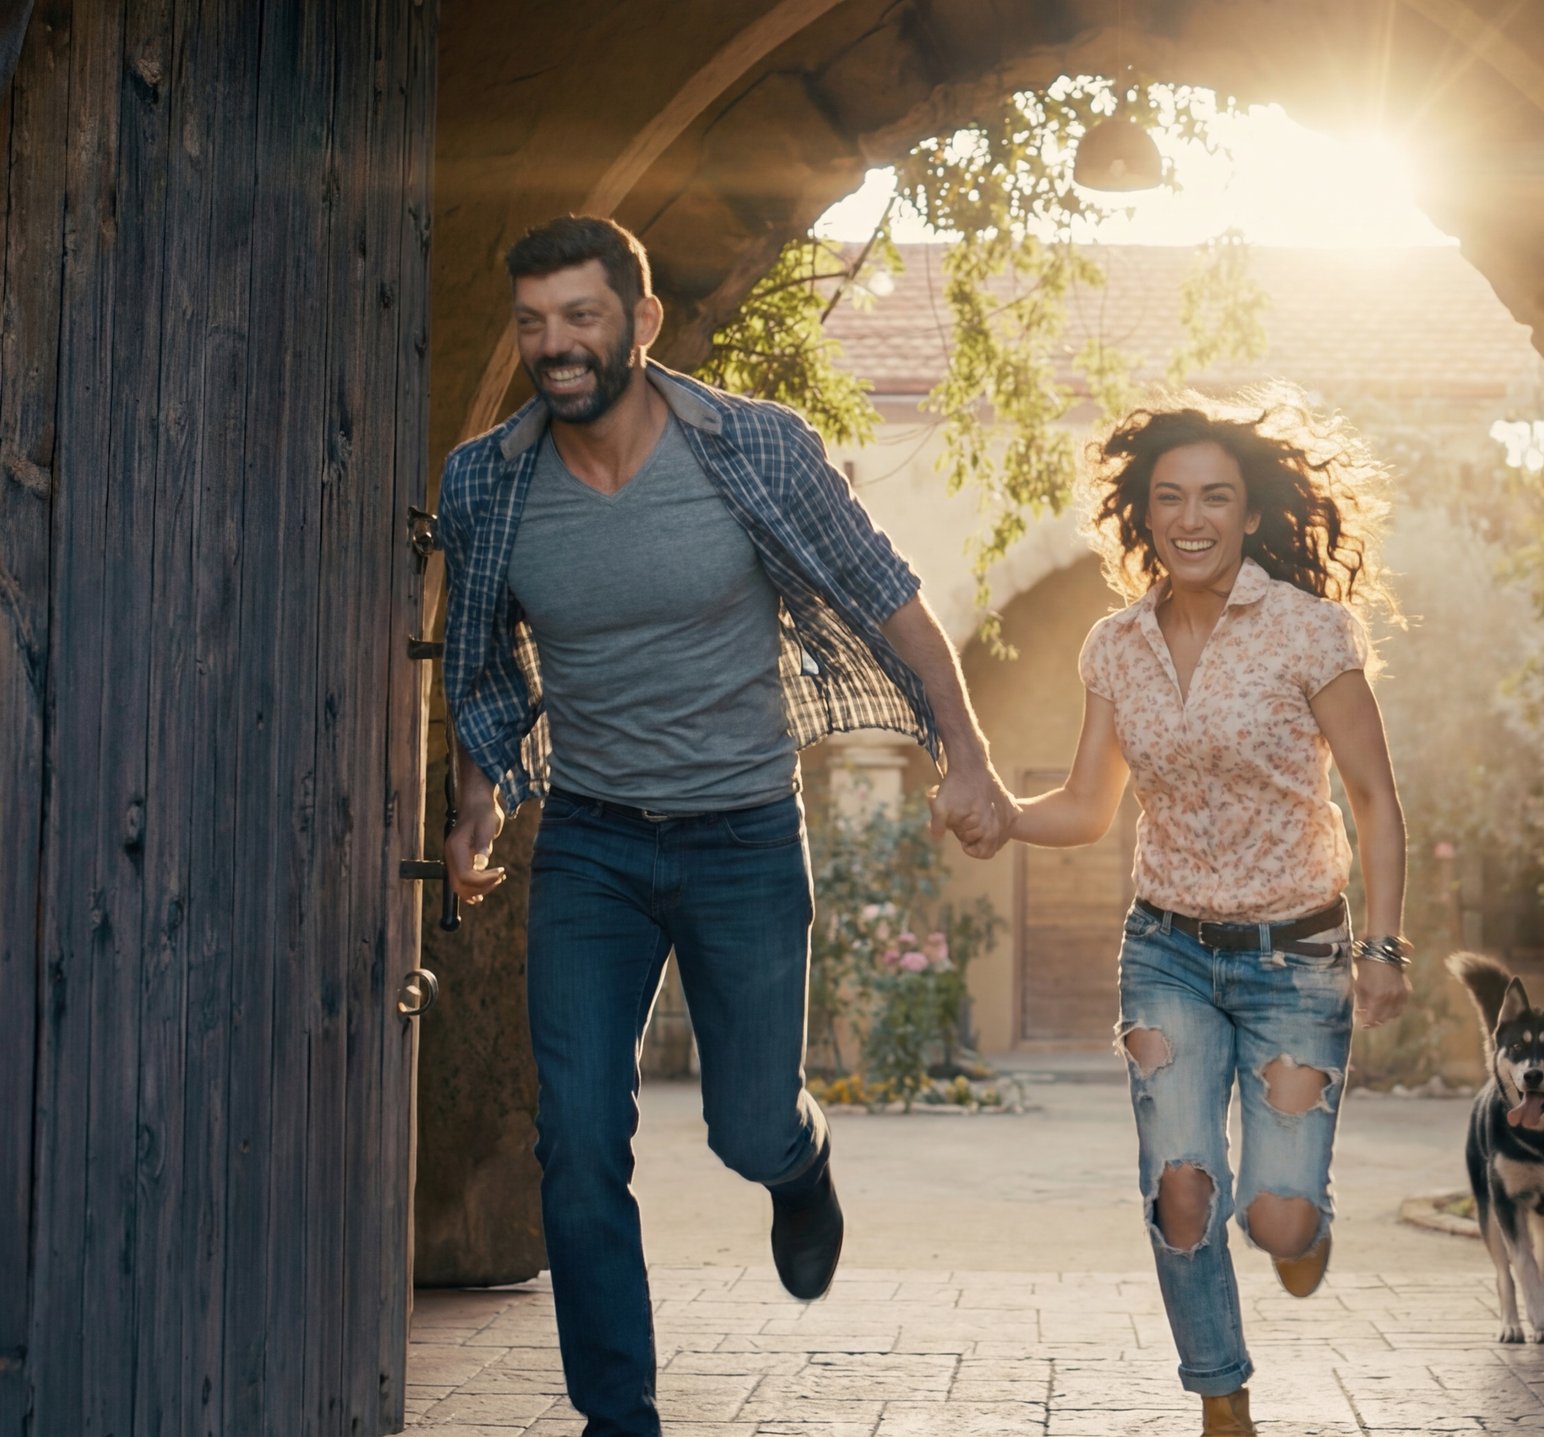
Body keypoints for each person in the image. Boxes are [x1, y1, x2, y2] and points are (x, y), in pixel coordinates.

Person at [434, 215, 1011, 1437]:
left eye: (581, 317)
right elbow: (478, 660)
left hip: (743, 834)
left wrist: (967, 755)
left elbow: (892, 603)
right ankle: (618, 1417)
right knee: (577, 1138)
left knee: (745, 1125)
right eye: (533, 323)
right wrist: (478, 800)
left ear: (638, 322)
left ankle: (798, 1166)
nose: (556, 347)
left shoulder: (751, 448)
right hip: (591, 840)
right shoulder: (487, 479)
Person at [993, 392, 1413, 1437]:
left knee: (1272, 1220)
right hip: (1167, 954)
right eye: (1170, 496)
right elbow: (1089, 809)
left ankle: (1301, 1227)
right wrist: (997, 816)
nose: (1191, 517)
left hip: (1297, 956)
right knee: (1181, 1190)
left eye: (1215, 497)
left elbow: (1373, 797)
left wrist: (1383, 947)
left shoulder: (1309, 632)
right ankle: (1220, 1396)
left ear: (1248, 512)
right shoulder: (1115, 648)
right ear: (1142, 512)